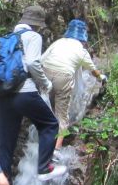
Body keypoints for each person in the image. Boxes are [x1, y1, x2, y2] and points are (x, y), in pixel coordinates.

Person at [0, 4, 65, 182]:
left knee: (6, 141)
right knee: (50, 124)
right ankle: (44, 168)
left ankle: (2, 184)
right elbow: (33, 63)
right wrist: (45, 83)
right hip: (24, 93)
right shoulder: (33, 36)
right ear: (37, 24)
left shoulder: (6, 37)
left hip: (4, 95)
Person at [41, 20, 106, 152]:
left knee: (46, 108)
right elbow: (94, 71)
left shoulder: (57, 43)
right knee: (62, 116)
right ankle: (56, 150)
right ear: (83, 36)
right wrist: (102, 77)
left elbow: (42, 60)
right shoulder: (81, 51)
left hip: (45, 75)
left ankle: (40, 141)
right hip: (63, 77)